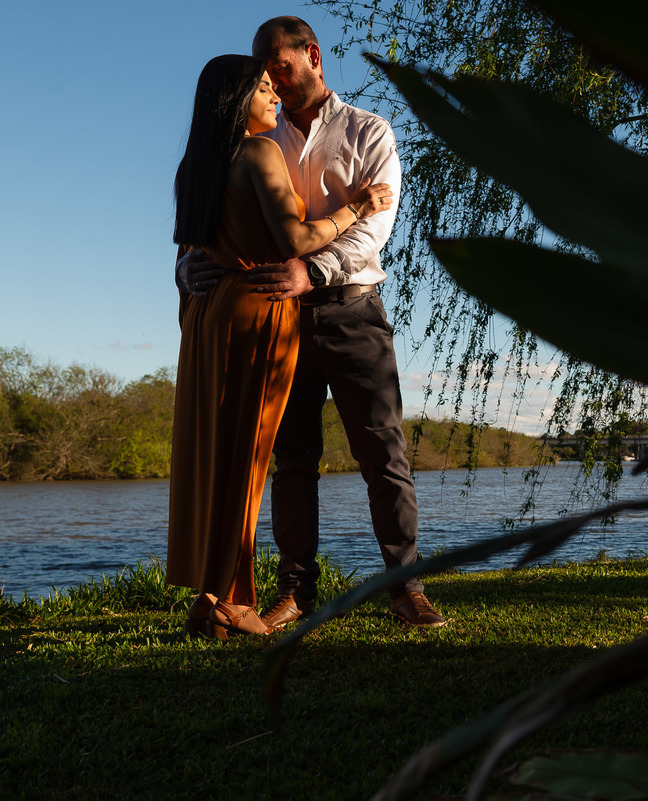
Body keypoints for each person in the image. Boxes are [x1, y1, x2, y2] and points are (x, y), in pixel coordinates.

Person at [178, 16, 445, 628]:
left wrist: (311, 272)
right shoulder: (251, 138)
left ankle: (406, 588)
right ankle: (294, 592)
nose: (272, 78)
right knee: (292, 458)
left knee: (382, 450)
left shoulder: (369, 132)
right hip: (278, 317)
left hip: (351, 309)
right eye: (263, 72)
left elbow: (376, 231)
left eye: (280, 65)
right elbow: (212, 223)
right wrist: (186, 269)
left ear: (312, 55)